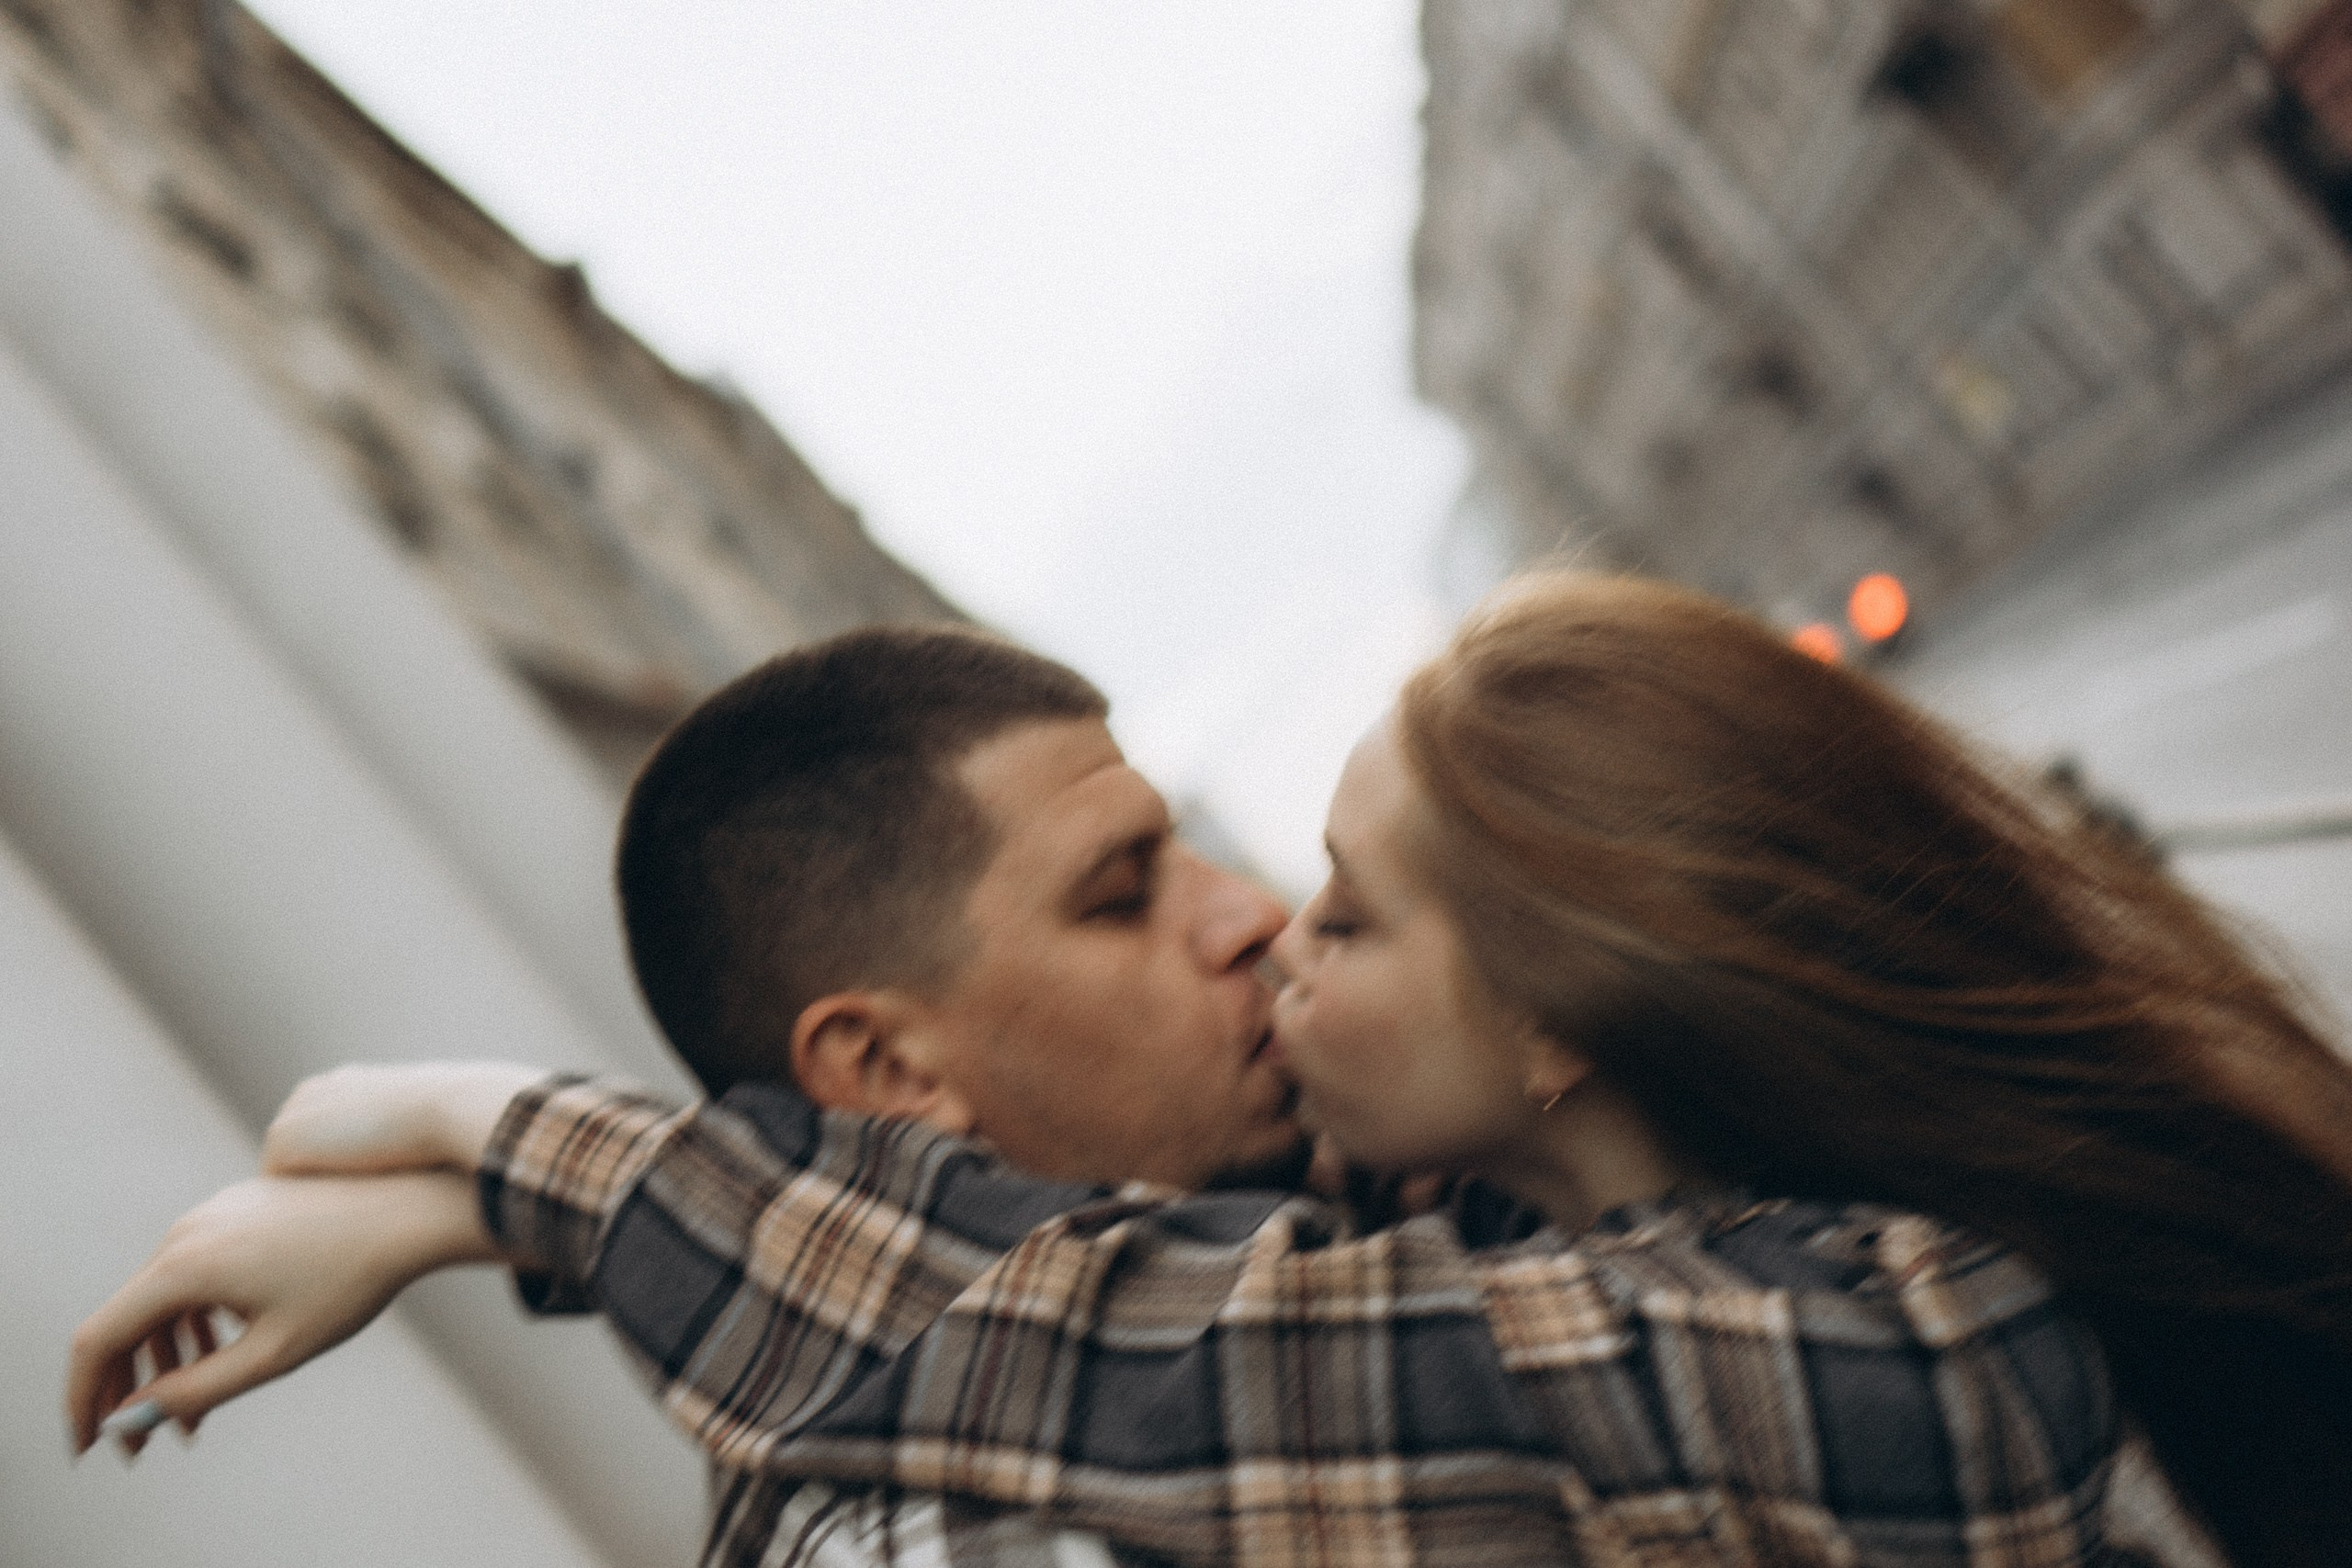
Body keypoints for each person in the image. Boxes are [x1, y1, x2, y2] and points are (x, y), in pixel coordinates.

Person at [77, 574, 2352, 1563]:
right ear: (877, 1067)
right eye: (1121, 886)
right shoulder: (917, 1521)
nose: (1255, 917)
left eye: (1308, 889)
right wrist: (483, 1181)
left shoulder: (1815, 1309)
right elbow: (1075, 1339)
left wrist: (484, 1155)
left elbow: (1125, 1339)